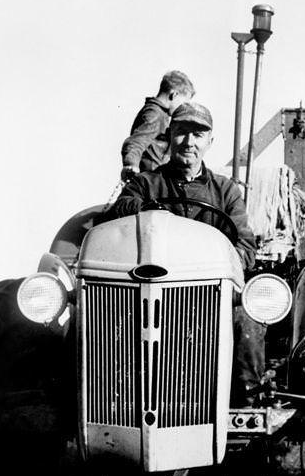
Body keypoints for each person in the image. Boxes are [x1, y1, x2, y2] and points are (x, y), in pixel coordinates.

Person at [101, 102, 263, 405]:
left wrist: (219, 268)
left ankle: (246, 403)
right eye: (182, 132)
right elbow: (116, 213)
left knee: (246, 316)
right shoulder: (146, 184)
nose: (189, 142)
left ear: (210, 143)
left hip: (208, 298)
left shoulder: (225, 191)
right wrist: (145, 208)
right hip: (149, 297)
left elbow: (246, 248)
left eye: (198, 135)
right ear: (168, 137)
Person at [120, 70, 195, 181]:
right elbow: (137, 141)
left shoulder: (158, 113)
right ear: (174, 95)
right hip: (150, 178)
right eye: (183, 103)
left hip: (154, 178)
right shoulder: (155, 114)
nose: (182, 108)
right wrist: (131, 164)